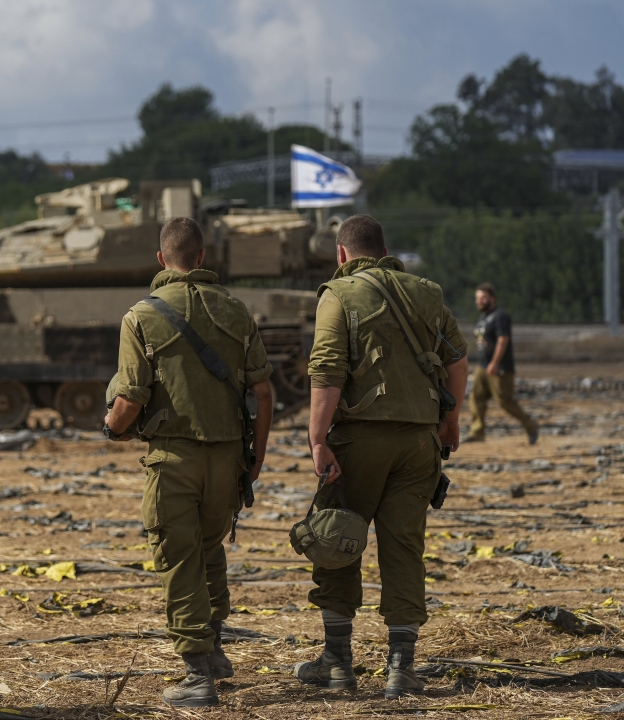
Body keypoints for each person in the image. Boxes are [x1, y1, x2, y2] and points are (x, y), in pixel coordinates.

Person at [103, 216, 274, 708]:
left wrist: (111, 426)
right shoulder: (237, 310)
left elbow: (131, 397)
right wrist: (255, 458)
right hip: (228, 459)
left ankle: (198, 671)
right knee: (208, 547)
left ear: (162, 259)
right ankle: (216, 647)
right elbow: (263, 390)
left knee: (178, 560)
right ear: (202, 257)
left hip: (174, 459)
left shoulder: (141, 316)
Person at [299, 214, 468, 699]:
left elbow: (327, 369)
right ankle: (401, 669)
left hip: (360, 442)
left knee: (336, 539)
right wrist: (449, 421)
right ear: (383, 248)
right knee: (404, 549)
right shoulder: (427, 292)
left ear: (341, 254)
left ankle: (337, 662)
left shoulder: (339, 294)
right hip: (418, 444)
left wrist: (317, 439)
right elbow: (457, 360)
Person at [466, 283, 539, 444]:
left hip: (500, 367)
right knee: (475, 397)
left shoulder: (500, 316)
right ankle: (477, 432)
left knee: (504, 401)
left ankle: (531, 426)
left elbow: (503, 340)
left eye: (483, 297)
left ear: (492, 299)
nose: (480, 301)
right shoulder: (482, 318)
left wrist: (494, 363)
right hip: (482, 366)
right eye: (477, 298)